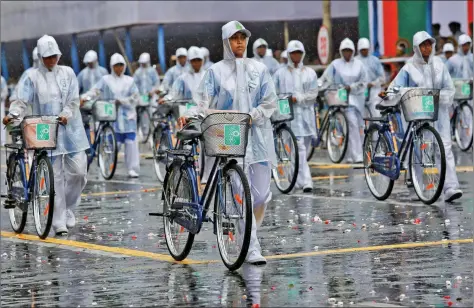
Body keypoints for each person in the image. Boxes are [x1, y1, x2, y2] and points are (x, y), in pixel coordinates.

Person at [180, 20, 277, 265]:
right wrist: (194, 114)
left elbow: (269, 101)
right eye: (234, 38)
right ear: (226, 42)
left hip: (258, 136)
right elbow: (203, 101)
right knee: (240, 192)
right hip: (229, 135)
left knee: (262, 195)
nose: (240, 42)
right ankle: (251, 247)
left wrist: (253, 116)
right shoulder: (215, 72)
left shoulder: (259, 69)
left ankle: (245, 231)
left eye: (243, 37)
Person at [3, 35, 89, 235]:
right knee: (55, 176)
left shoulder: (68, 73)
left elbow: (74, 100)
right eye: (47, 57)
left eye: (54, 56)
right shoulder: (31, 76)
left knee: (79, 173)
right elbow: (21, 100)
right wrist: (12, 115)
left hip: (71, 129)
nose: (52, 60)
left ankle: (68, 207)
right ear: (40, 57)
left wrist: (66, 114)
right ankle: (58, 221)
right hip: (44, 128)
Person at [388, 31, 462, 202]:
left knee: (444, 149)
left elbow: (449, 89)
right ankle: (417, 184)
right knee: (418, 151)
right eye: (423, 45)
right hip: (416, 117)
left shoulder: (439, 66)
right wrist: (390, 94)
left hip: (439, 116)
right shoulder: (408, 68)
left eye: (429, 44)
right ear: (416, 48)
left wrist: (436, 97)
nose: (427, 48)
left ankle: (451, 187)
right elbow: (395, 87)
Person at [81, 53, 140, 178]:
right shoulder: (106, 80)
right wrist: (85, 98)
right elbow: (95, 91)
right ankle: (107, 166)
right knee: (111, 144)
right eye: (116, 66)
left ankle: (132, 168)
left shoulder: (130, 81)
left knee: (131, 144)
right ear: (112, 67)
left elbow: (136, 98)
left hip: (128, 118)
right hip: (111, 117)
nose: (119, 68)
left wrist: (123, 101)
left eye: (121, 65)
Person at [273, 40, 318, 193]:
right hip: (289, 119)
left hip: (306, 117)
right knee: (299, 149)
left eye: (298, 53)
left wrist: (298, 98)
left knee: (299, 150)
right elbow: (274, 94)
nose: (296, 56)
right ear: (289, 54)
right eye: (293, 53)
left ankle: (295, 179)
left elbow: (313, 94)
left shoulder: (310, 73)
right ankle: (307, 181)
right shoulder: (280, 73)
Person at [319, 38, 368, 163]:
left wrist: (351, 87)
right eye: (344, 50)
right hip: (341, 99)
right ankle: (355, 155)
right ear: (341, 51)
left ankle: (354, 154)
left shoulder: (359, 65)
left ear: (353, 51)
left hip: (357, 99)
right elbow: (325, 78)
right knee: (350, 125)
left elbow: (364, 82)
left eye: (349, 50)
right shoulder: (335, 64)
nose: (347, 53)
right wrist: (318, 87)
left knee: (359, 126)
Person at [76, 50, 108, 144]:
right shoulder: (82, 74)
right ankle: (89, 145)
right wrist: (77, 99)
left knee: (101, 124)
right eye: (88, 63)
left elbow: (107, 87)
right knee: (86, 124)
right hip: (87, 103)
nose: (90, 64)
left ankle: (101, 142)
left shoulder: (103, 71)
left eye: (91, 62)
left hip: (101, 103)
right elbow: (77, 87)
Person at [355, 38, 386, 118]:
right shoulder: (355, 61)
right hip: (360, 93)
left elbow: (382, 78)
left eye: (365, 49)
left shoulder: (375, 60)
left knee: (376, 114)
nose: (364, 51)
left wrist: (372, 83)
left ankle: (377, 129)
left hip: (374, 92)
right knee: (362, 117)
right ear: (359, 50)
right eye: (362, 50)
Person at [0, 76, 8, 145]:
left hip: (0, 104)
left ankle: (3, 141)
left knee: (2, 122)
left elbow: (5, 92)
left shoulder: (1, 79)